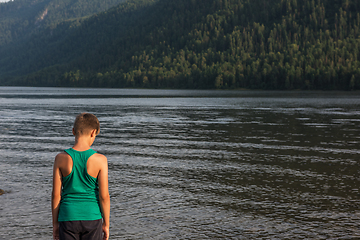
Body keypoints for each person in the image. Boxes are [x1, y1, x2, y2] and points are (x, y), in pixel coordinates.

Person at [52, 113, 110, 240]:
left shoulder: (60, 158)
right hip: (92, 217)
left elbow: (56, 195)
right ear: (93, 133)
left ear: (73, 131)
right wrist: (106, 224)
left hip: (67, 217)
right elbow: (104, 196)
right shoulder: (100, 160)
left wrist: (55, 224)